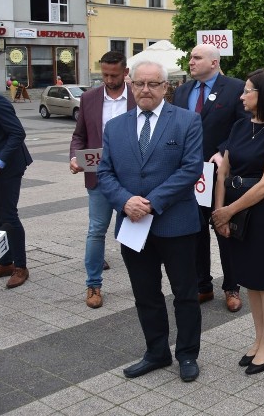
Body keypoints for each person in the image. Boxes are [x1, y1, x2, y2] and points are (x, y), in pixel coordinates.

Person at [97, 60, 204, 383]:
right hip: (132, 226)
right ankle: (156, 352)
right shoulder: (115, 127)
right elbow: (104, 172)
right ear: (131, 85)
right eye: (140, 84)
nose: (145, 90)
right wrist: (125, 201)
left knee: (185, 293)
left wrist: (152, 203)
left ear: (165, 87)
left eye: (153, 84)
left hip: (176, 224)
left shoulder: (187, 121)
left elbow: (191, 169)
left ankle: (187, 354)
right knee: (145, 294)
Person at [211, 68, 264, 375]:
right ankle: (259, 339)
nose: (242, 95)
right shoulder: (240, 125)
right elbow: (223, 171)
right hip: (232, 207)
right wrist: (219, 211)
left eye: (248, 90)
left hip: (261, 212)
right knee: (248, 278)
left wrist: (228, 212)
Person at [173, 44, 249, 313]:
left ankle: (232, 287)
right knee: (195, 232)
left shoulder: (235, 88)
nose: (190, 62)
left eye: (196, 58)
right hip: (190, 176)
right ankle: (202, 285)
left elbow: (244, 125)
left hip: (221, 175)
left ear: (214, 62)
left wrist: (223, 151)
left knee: (224, 230)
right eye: (191, 58)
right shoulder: (182, 91)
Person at [70, 51, 136, 308]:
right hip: (98, 177)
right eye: (104, 74)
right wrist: (75, 157)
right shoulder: (89, 98)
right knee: (96, 230)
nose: (108, 79)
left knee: (131, 231)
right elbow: (79, 136)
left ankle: (140, 282)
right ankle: (93, 284)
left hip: (131, 178)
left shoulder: (137, 96)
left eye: (114, 75)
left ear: (125, 72)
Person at [0, 90, 33, 288]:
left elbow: (17, 133)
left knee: (8, 215)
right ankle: (5, 262)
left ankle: (20, 267)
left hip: (8, 165)